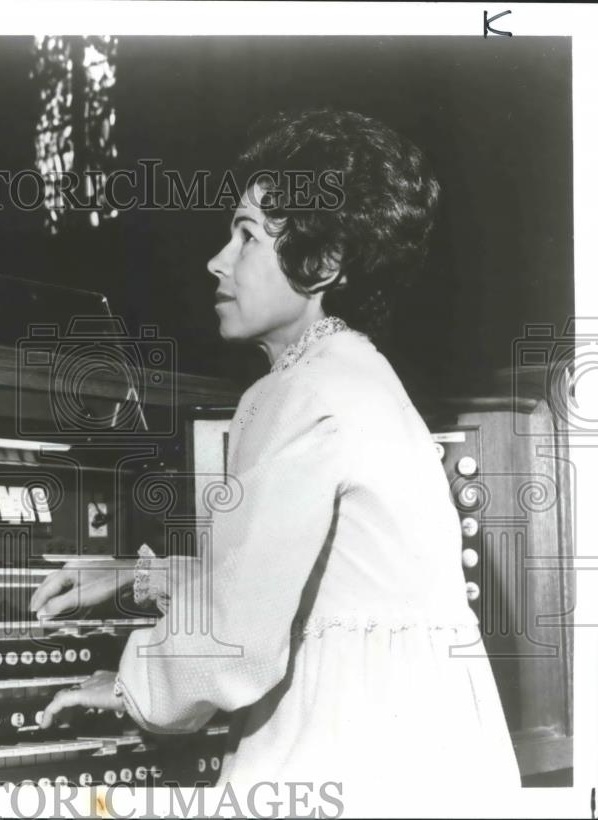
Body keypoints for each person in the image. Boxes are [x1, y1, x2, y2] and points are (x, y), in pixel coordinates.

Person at [29, 109, 520, 800]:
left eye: (246, 236)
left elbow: (238, 642)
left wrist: (130, 684)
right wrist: (138, 576)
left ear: (322, 263)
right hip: (437, 749)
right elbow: (304, 583)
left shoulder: (292, 392)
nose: (217, 260)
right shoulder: (364, 375)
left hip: (341, 746)